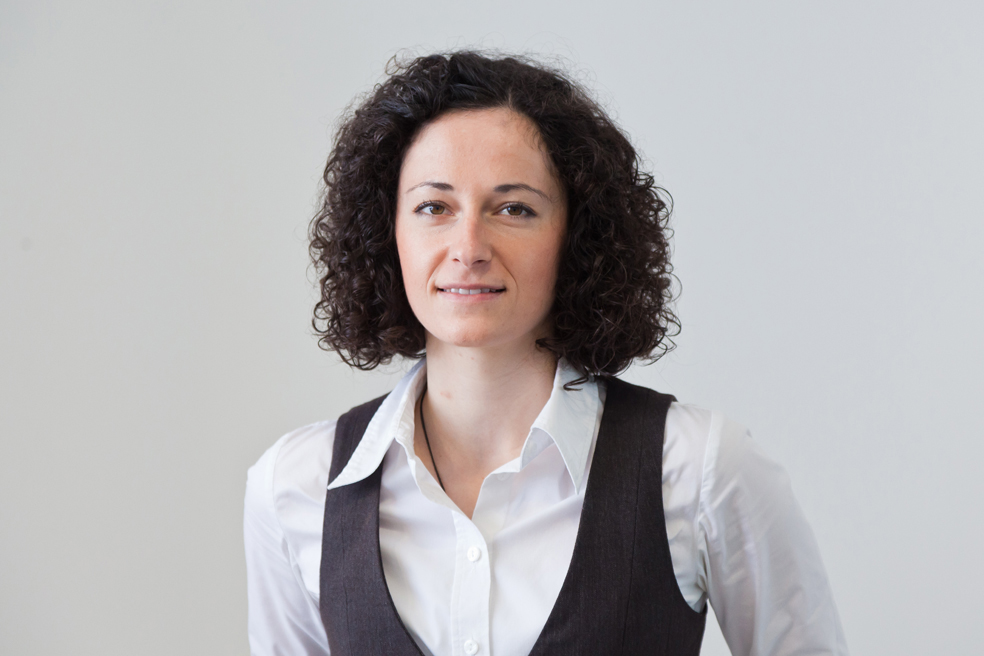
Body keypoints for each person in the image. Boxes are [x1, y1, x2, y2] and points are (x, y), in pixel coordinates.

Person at [244, 51, 849, 656]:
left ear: (576, 237)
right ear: (387, 232)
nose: (469, 247)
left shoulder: (697, 469)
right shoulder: (295, 486)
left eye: (514, 209)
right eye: (434, 207)